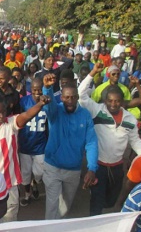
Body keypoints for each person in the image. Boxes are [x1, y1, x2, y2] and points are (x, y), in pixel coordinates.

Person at [79, 63, 141, 216]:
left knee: (110, 201)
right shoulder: (97, 111)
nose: (113, 104)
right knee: (96, 204)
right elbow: (81, 95)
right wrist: (93, 72)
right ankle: (94, 225)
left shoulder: (130, 119)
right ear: (105, 101)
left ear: (122, 101)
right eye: (110, 101)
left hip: (117, 167)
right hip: (98, 166)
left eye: (117, 101)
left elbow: (135, 141)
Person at [0, 92, 51, 222]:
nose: (2, 115)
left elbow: (27, 115)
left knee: (8, 223)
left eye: (4, 111)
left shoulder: (11, 124)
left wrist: (40, 104)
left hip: (10, 186)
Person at [42, 73, 98, 219]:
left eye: (73, 97)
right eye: (66, 97)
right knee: (52, 205)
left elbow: (91, 142)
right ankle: (49, 229)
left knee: (65, 206)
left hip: (73, 169)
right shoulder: (56, 111)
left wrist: (92, 168)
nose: (70, 101)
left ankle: (59, 226)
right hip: (52, 166)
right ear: (61, 98)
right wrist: (47, 88)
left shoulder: (85, 115)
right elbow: (49, 107)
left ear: (78, 97)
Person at [18, 78, 48, 207]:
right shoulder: (23, 102)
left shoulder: (47, 103)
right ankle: (27, 194)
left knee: (39, 172)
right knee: (25, 173)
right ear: (30, 89)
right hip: (25, 144)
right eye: (34, 89)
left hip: (40, 145)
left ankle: (35, 183)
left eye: (39, 89)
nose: (37, 92)